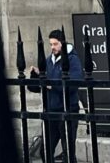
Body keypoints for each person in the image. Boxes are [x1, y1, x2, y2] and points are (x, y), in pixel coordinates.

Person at [28, 29, 83, 163]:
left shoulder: (72, 59)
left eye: (55, 44)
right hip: (51, 110)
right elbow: (36, 88)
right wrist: (35, 76)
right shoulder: (48, 60)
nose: (52, 47)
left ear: (62, 43)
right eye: (51, 44)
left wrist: (52, 85)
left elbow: (75, 83)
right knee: (45, 150)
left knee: (68, 152)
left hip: (68, 109)